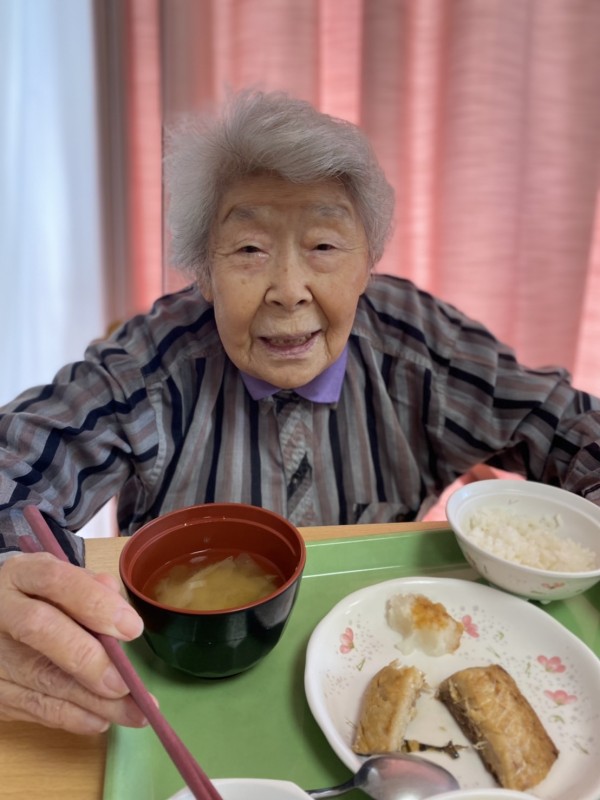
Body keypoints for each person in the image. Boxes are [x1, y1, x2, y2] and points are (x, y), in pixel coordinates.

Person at [1, 89, 599, 734]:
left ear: (367, 263)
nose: (288, 291)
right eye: (249, 250)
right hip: (186, 700)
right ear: (204, 273)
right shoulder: (149, 367)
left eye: (324, 246)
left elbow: (568, 425)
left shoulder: (419, 347)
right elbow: (18, 463)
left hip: (383, 671)